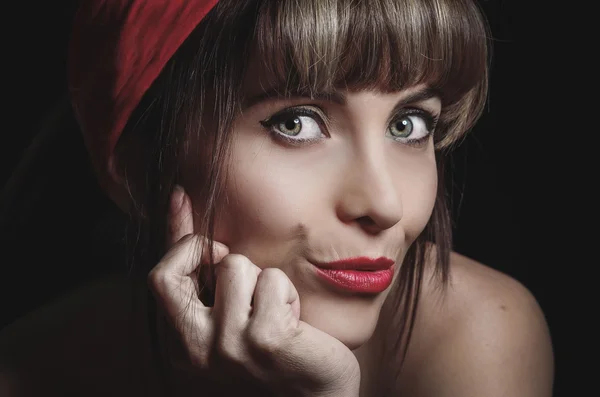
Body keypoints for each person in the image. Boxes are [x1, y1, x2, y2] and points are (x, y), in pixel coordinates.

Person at [0, 0, 554, 396]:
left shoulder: (480, 334)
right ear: (141, 166)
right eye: (296, 123)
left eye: (408, 124)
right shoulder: (29, 370)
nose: (384, 204)